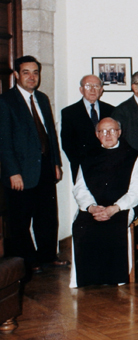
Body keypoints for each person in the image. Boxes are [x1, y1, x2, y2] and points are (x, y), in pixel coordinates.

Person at [0, 55, 66, 274]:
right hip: (20, 172)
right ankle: (29, 261)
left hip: (45, 168)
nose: (31, 77)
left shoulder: (43, 99)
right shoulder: (6, 101)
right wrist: (13, 172)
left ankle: (48, 256)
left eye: (35, 72)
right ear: (17, 75)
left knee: (47, 216)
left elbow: (50, 134)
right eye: (26, 72)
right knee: (20, 220)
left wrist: (56, 162)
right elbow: (3, 141)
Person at [70, 118, 138, 288]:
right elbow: (79, 188)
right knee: (82, 226)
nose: (108, 134)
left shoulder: (132, 155)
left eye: (112, 130)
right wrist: (91, 207)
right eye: (103, 131)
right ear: (97, 135)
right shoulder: (87, 156)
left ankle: (115, 277)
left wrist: (115, 208)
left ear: (119, 132)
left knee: (113, 227)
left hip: (121, 207)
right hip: (94, 207)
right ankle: (85, 278)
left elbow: (136, 189)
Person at [61, 74, 115, 182]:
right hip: (82, 167)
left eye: (96, 86)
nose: (92, 90)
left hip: (108, 165)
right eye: (88, 86)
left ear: (101, 90)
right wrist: (81, 163)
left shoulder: (111, 110)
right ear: (81, 90)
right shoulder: (69, 112)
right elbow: (67, 143)